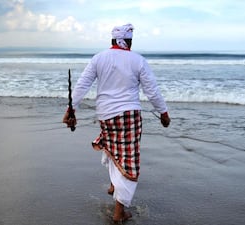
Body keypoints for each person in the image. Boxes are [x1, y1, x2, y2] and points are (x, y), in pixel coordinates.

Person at [63, 23, 170, 223]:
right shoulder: (138, 60)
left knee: (114, 148)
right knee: (128, 159)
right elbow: (152, 91)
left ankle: (114, 185)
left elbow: (82, 85)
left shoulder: (99, 58)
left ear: (113, 40)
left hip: (105, 115)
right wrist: (163, 113)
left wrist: (71, 109)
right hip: (129, 116)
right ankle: (119, 212)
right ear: (128, 41)